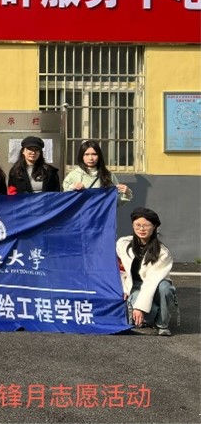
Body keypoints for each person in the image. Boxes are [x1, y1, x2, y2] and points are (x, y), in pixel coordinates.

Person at [116, 207, 176, 336]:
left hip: (154, 286)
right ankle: (153, 315)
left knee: (165, 287)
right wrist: (123, 288)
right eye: (137, 225)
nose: (141, 229)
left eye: (146, 225)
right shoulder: (123, 244)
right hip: (134, 286)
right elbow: (119, 269)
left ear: (154, 227)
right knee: (149, 313)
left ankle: (162, 324)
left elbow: (151, 281)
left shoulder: (163, 252)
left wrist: (140, 307)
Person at [63, 140, 132, 204]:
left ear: (99, 156)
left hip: (101, 213)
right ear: (81, 156)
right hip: (81, 213)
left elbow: (114, 202)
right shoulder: (73, 175)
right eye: (86, 154)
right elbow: (64, 199)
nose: (90, 158)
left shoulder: (108, 175)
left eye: (94, 154)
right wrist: (72, 187)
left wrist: (126, 194)